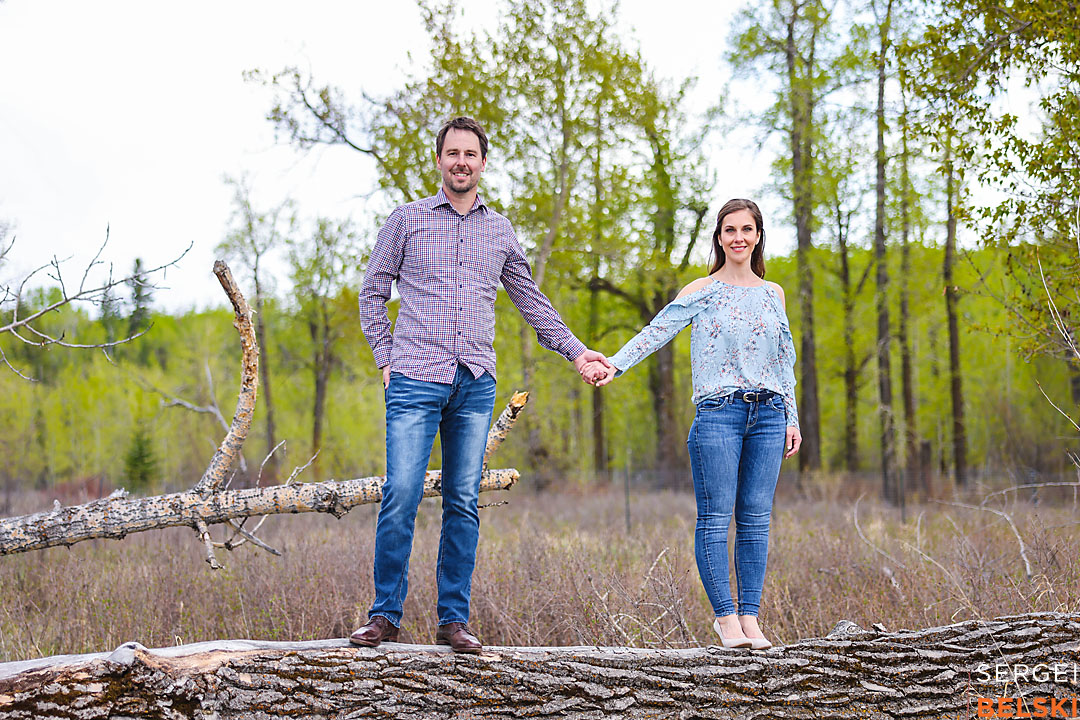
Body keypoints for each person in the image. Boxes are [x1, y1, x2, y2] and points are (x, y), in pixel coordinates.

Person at [354, 116, 611, 653]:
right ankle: (384, 617)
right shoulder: (408, 220)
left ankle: (453, 621)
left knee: (462, 501)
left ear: (483, 163)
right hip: (414, 379)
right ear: (440, 159)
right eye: (452, 153)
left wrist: (575, 350)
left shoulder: (499, 230)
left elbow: (529, 299)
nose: (461, 162)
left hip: (474, 383)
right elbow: (371, 291)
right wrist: (386, 358)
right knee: (400, 493)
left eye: (471, 153)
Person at [583, 198, 801, 650]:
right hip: (718, 414)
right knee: (717, 517)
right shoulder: (702, 289)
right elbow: (656, 331)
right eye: (729, 230)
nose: (738, 237)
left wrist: (792, 417)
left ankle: (751, 618)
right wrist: (615, 365)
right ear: (719, 238)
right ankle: (725, 618)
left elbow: (784, 359)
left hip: (770, 414)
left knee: (757, 520)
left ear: (758, 235)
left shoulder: (773, 292)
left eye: (746, 229)